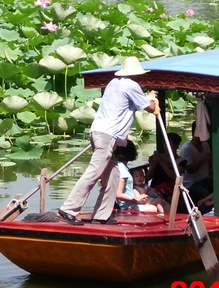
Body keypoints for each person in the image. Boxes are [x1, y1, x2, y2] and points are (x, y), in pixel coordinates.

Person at [58, 57, 159, 225]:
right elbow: (149, 108)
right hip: (107, 135)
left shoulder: (113, 82)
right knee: (94, 172)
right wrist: (150, 97)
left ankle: (101, 215)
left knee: (113, 175)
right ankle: (69, 209)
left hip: (99, 132)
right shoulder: (131, 85)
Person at [180, 120, 213, 205]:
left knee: (218, 188)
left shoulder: (206, 145)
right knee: (205, 193)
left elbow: (210, 165)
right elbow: (189, 170)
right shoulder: (186, 149)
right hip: (191, 183)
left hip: (205, 178)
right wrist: (203, 159)